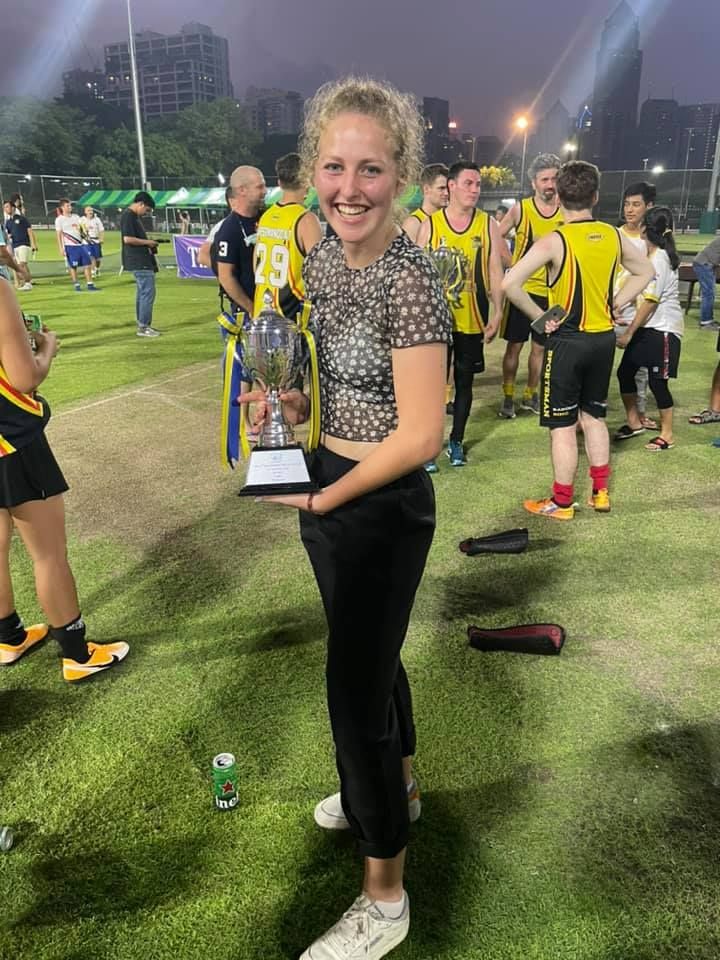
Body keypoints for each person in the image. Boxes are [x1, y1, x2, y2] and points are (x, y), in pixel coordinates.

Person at [241, 76, 450, 960]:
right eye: (334, 166)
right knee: (369, 662)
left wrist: (328, 496)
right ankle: (393, 791)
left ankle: (386, 894)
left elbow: (423, 434)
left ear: (401, 173)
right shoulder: (322, 256)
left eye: (371, 169)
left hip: (380, 506)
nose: (349, 188)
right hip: (326, 480)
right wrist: (287, 404)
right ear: (312, 169)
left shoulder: (409, 279)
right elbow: (335, 383)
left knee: (351, 693)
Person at [502, 160, 654, 519]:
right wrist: (616, 301)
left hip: (568, 342)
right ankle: (600, 493)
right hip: (603, 340)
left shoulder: (554, 239)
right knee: (594, 417)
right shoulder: (613, 234)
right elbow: (645, 271)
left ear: (558, 195)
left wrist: (540, 319)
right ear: (596, 196)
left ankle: (562, 501)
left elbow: (510, 284)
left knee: (562, 425)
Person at [0, 279, 129, 680]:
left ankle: (7, 637)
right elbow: (24, 379)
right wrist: (47, 350)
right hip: (12, 441)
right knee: (49, 552)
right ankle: (77, 653)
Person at [417, 161, 503, 467]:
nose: (475, 190)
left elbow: (495, 269)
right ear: (451, 186)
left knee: (464, 383)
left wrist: (498, 311)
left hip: (472, 320)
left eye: (478, 184)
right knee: (431, 385)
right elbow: (417, 274)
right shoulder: (430, 225)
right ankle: (429, 445)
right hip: (435, 322)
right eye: (468, 183)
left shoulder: (487, 223)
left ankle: (456, 441)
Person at [497, 153, 563, 418]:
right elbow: (495, 236)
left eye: (554, 178)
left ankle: (530, 395)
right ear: (534, 183)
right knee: (514, 346)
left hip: (550, 294)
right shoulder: (520, 209)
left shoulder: (566, 212)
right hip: (521, 292)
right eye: (544, 179)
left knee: (540, 349)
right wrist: (510, 261)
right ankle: (508, 397)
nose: (550, 184)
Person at [615, 207, 684, 451]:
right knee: (625, 373)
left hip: (662, 330)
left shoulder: (660, 259)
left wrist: (629, 332)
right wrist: (618, 308)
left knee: (658, 383)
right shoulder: (650, 257)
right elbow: (637, 292)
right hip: (648, 328)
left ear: (646, 229)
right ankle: (634, 423)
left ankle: (667, 435)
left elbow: (651, 302)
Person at [252, 152, 322, 317]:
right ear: (307, 181)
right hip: (290, 317)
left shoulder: (266, 217)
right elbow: (320, 274)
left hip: (262, 313)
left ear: (279, 183)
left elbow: (255, 263)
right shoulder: (306, 220)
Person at [613, 181, 657, 432]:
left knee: (639, 370)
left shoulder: (650, 242)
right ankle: (591, 411)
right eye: (627, 204)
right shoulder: (614, 235)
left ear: (648, 207)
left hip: (639, 314)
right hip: (612, 312)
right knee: (600, 363)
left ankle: (639, 415)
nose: (630, 210)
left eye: (636, 204)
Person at [213, 165, 266, 318]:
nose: (265, 191)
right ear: (242, 190)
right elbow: (226, 276)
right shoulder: (229, 229)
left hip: (275, 307)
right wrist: (252, 308)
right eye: (260, 187)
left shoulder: (269, 217)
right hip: (249, 314)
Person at [120, 191, 161, 338]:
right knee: (147, 292)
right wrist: (148, 242)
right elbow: (128, 239)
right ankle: (144, 326)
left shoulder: (132, 216)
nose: (146, 213)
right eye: (147, 209)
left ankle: (142, 324)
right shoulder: (129, 216)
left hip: (140, 259)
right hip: (139, 260)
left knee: (142, 292)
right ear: (141, 204)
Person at [54, 199, 98, 293]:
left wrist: (84, 232)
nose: (70, 207)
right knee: (73, 266)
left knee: (87, 264)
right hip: (70, 246)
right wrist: (61, 248)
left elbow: (81, 228)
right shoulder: (59, 220)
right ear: (62, 207)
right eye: (67, 206)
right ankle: (76, 285)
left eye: (70, 205)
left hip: (80, 245)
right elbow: (58, 235)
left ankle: (90, 284)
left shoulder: (76, 217)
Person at [401, 163, 448, 243]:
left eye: (448, 188)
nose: (447, 193)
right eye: (441, 188)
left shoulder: (450, 220)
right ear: (426, 189)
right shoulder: (413, 224)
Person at [3, 200, 36, 292]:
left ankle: (28, 283)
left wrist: (33, 244)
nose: (6, 209)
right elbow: (8, 234)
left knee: (22, 264)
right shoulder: (8, 222)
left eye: (7, 206)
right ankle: (26, 282)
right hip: (15, 245)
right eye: (4, 207)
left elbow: (29, 231)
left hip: (23, 244)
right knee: (18, 265)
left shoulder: (22, 219)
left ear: (13, 207)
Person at [692, 234, 720, 330]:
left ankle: (709, 320)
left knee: (710, 293)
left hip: (704, 263)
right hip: (703, 264)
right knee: (708, 293)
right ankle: (706, 322)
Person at [80, 206, 105, 277]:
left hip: (96, 241)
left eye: (91, 210)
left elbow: (101, 230)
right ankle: (92, 271)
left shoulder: (97, 220)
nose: (90, 212)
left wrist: (101, 238)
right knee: (90, 256)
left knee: (97, 258)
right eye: (88, 210)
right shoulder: (82, 220)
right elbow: (79, 229)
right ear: (85, 212)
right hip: (86, 241)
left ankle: (97, 268)